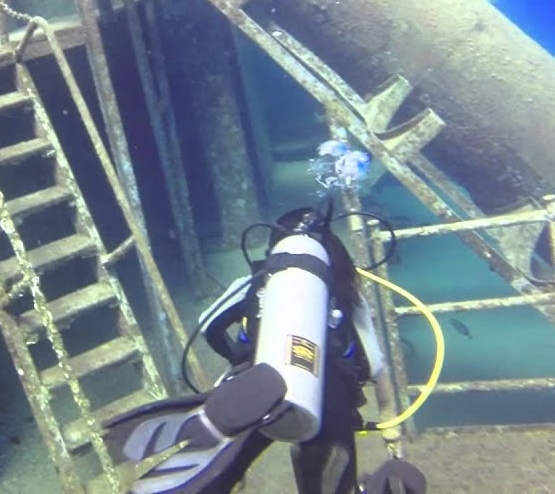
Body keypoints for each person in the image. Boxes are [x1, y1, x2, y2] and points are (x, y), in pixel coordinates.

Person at [104, 202, 423, 493]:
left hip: (258, 391)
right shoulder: (346, 292)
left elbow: (210, 324)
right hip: (330, 403)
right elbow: (375, 363)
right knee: (330, 484)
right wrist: (389, 425)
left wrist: (239, 360)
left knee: (215, 475)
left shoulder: (259, 281)